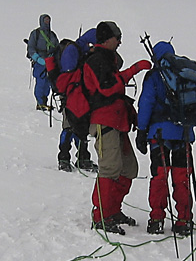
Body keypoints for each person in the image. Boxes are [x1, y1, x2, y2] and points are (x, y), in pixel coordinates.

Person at [81, 21, 151, 235]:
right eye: (117, 37)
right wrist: (133, 70)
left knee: (129, 169)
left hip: (117, 122)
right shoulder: (96, 60)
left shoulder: (107, 60)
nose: (120, 41)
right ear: (106, 38)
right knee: (110, 169)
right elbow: (108, 88)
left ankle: (112, 210)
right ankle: (101, 215)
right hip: (104, 121)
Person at [135, 40, 196, 236]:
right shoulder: (185, 76)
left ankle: (157, 218)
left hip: (159, 134)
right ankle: (184, 219)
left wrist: (142, 131)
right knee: (181, 177)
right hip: (183, 135)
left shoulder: (155, 76)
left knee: (159, 175)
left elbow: (146, 104)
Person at [48, 28, 98, 172]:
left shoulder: (79, 51)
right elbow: (68, 77)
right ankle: (64, 158)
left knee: (80, 127)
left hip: (79, 97)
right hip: (70, 97)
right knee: (69, 127)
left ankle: (83, 158)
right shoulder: (72, 51)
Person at [26, 13, 59, 110]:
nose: (47, 22)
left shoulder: (52, 34)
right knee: (41, 81)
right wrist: (37, 58)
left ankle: (44, 101)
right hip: (40, 62)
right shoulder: (35, 33)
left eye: (48, 20)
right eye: (45, 20)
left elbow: (56, 46)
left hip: (50, 61)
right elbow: (31, 48)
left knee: (48, 82)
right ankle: (40, 102)